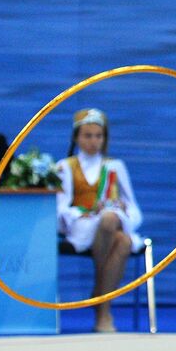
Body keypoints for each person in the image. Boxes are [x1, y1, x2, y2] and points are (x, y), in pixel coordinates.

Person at [56, 108, 144, 333]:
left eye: (98, 136)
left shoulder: (115, 166)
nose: (93, 141)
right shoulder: (66, 167)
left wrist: (123, 212)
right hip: (82, 227)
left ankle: (101, 300)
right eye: (87, 136)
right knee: (112, 228)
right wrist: (81, 213)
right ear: (76, 137)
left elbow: (132, 206)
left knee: (117, 232)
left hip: (111, 221)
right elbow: (61, 207)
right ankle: (103, 304)